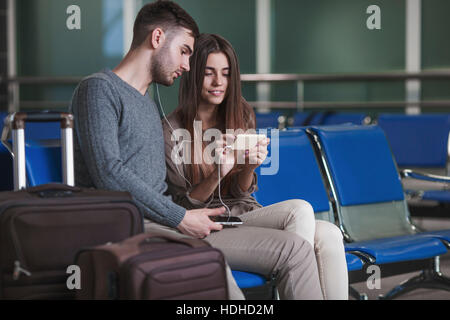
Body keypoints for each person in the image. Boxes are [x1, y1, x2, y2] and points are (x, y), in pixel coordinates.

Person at [70, 0, 323, 300]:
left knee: (297, 248)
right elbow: (109, 173)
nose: (188, 66)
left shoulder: (148, 102)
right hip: (143, 228)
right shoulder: (98, 89)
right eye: (185, 52)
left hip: (171, 223)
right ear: (157, 38)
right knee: (265, 260)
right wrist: (180, 216)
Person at [163, 33, 349, 300]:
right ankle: (286, 284)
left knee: (330, 234)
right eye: (209, 73)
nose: (219, 82)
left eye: (226, 74)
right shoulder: (171, 131)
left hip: (244, 214)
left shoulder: (240, 112)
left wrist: (249, 166)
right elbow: (185, 208)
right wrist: (218, 172)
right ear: (193, 75)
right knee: (299, 210)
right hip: (211, 224)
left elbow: (242, 192)